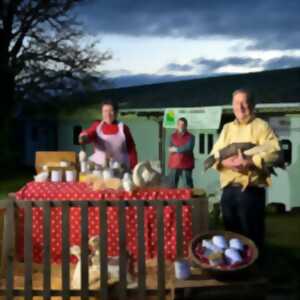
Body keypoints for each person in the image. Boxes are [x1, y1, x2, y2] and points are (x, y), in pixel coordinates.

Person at [210, 88, 280, 250]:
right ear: (232, 105)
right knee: (231, 237)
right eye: (236, 103)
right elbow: (214, 154)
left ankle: (255, 271)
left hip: (251, 192)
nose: (240, 107)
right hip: (228, 191)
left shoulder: (262, 127)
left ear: (252, 105)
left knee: (251, 239)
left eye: (244, 103)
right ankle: (236, 270)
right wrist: (227, 163)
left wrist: (250, 161)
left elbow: (274, 153)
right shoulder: (227, 128)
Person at [78, 99, 138, 170]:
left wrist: (134, 167)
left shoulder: (124, 128)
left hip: (121, 169)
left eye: (111, 111)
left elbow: (131, 150)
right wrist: (83, 137)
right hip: (100, 169)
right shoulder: (97, 126)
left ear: (116, 112)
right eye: (105, 111)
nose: (108, 114)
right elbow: (89, 134)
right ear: (102, 113)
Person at [168, 117, 195, 188]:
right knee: (172, 187)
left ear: (186, 126)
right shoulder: (172, 136)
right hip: (174, 164)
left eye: (183, 124)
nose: (181, 126)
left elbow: (188, 148)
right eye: (179, 124)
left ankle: (189, 199)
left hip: (186, 165)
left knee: (188, 187)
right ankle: (172, 199)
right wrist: (181, 149)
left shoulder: (191, 137)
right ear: (177, 125)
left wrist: (176, 149)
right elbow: (170, 149)